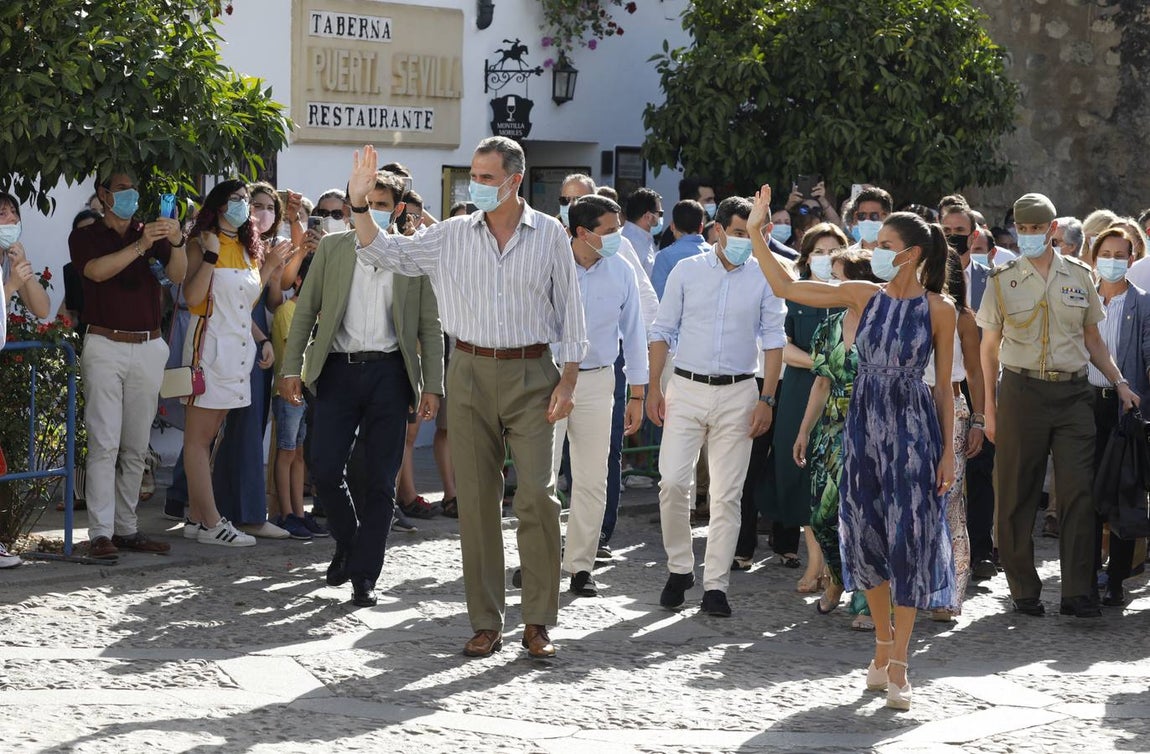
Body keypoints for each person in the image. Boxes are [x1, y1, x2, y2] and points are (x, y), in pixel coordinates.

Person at [347, 139, 586, 658]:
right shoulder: (451, 235)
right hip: (470, 370)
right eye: (471, 176)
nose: (474, 185)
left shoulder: (549, 234)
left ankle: (539, 621)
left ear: (514, 180)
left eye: (485, 176)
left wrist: (569, 380)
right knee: (475, 503)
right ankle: (485, 622)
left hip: (533, 372)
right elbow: (383, 252)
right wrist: (359, 204)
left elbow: (571, 310)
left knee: (537, 498)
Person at [750, 184, 957, 712]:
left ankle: (901, 664)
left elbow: (942, 388)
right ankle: (882, 647)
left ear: (909, 254)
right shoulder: (863, 296)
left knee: (909, 543)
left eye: (885, 243)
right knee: (867, 540)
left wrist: (948, 452)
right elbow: (787, 287)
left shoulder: (941, 310)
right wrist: (755, 234)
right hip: (862, 430)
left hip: (913, 434)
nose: (874, 251)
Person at [281, 169, 443, 606]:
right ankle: (349, 543)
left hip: (391, 374)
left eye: (383, 203)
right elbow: (306, 311)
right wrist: (290, 368)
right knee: (326, 467)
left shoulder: (411, 255)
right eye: (365, 201)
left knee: (380, 479)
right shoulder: (333, 248)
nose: (372, 210)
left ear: (398, 209)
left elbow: (430, 324)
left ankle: (365, 573)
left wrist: (434, 385)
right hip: (337, 369)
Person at [978, 193, 1138, 620]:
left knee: (1079, 493)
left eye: (1036, 228)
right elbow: (988, 349)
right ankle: (1024, 589)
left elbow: (1093, 340)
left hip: (1072, 394)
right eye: (1022, 228)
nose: (1028, 235)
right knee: (1015, 493)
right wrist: (989, 412)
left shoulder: (1080, 275)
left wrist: (1120, 382)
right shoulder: (1002, 278)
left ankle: (1078, 592)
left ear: (1052, 230)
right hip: (1020, 391)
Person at [647, 195, 786, 618]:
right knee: (672, 483)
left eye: (756, 234)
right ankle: (680, 567)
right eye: (741, 233)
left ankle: (716, 585)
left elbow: (775, 339)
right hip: (685, 387)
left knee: (727, 494)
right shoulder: (688, 270)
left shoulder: (766, 276)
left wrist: (767, 398)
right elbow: (662, 329)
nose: (747, 241)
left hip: (740, 392)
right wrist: (653, 387)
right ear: (719, 230)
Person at [70, 171, 187, 558]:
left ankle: (127, 528)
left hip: (149, 344)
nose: (130, 195)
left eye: (133, 189)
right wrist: (141, 244)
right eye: (121, 189)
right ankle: (100, 533)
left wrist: (177, 240)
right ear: (103, 195)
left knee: (136, 445)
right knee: (104, 441)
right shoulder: (87, 235)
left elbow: (178, 275)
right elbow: (96, 271)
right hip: (105, 342)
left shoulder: (148, 232)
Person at [181, 180, 290, 548]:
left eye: (247, 199)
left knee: (212, 437)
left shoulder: (247, 247)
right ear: (218, 204)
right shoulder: (202, 242)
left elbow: (245, 298)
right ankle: (211, 523)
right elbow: (192, 298)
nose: (244, 206)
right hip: (208, 349)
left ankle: (197, 518)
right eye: (236, 199)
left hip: (237, 351)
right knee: (198, 439)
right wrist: (210, 256)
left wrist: (271, 264)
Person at [556, 195, 648, 596]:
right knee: (540, 478)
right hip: (549, 378)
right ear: (581, 232)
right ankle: (537, 559)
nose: (616, 237)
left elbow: (636, 332)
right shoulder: (552, 265)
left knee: (593, 477)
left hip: (599, 380)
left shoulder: (622, 270)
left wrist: (639, 393)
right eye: (609, 231)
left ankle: (580, 565)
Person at [794, 248, 881, 626]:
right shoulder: (828, 326)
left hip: (874, 430)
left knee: (867, 518)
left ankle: (868, 602)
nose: (834, 285)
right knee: (822, 516)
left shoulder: (883, 324)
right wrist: (804, 430)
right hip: (830, 432)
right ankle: (838, 578)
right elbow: (822, 382)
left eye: (840, 277)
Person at [758, 222, 844, 588]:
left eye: (833, 252)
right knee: (803, 473)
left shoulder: (853, 294)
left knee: (838, 479)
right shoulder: (794, 295)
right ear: (806, 258)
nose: (826, 259)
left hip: (844, 393)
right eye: (818, 252)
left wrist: (836, 368)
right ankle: (814, 562)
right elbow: (781, 344)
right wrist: (823, 363)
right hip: (800, 389)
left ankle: (838, 565)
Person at [1087, 227, 1150, 607]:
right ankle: (1088, 574)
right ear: (1094, 257)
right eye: (1105, 253)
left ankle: (1117, 580)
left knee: (1126, 493)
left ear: (1131, 259)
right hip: (1085, 405)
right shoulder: (1082, 300)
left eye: (1120, 254)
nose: (1113, 260)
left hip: (1127, 409)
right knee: (1088, 493)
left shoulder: (1143, 304)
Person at [923, 253, 985, 620]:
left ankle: (948, 593)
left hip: (956, 408)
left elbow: (976, 372)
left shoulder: (963, 317)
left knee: (949, 501)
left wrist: (979, 419)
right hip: (911, 407)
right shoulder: (906, 309)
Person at [270, 254, 324, 539]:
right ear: (300, 280)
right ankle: (286, 513)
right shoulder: (288, 312)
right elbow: (296, 353)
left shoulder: (310, 313)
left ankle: (300, 513)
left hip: (304, 393)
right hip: (289, 392)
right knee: (287, 451)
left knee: (299, 454)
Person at [0, 193, 50, 320]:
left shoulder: (9, 260)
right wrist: (11, 286)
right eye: (2, 214)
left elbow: (42, 311)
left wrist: (22, 264)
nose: (13, 218)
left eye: (13, 211)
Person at [650, 200, 709, 298]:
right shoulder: (715, 254)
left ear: (672, 226)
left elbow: (659, 298)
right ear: (701, 227)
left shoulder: (663, 257)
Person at [621, 188, 663, 277]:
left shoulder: (644, 238)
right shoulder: (631, 243)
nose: (660, 217)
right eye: (660, 213)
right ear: (648, 216)